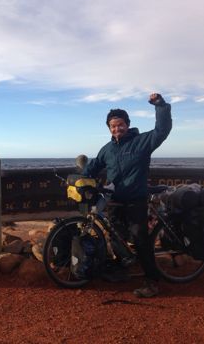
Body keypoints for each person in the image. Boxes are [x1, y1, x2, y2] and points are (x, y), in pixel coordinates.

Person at [82, 93, 172, 298]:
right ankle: (123, 268)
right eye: (113, 126)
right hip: (115, 200)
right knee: (116, 235)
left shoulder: (141, 142)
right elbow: (93, 167)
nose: (117, 129)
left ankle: (152, 282)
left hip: (136, 199)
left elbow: (162, 130)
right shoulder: (108, 149)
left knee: (141, 240)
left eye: (120, 124)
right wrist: (80, 179)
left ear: (127, 124)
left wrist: (160, 106)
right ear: (109, 128)